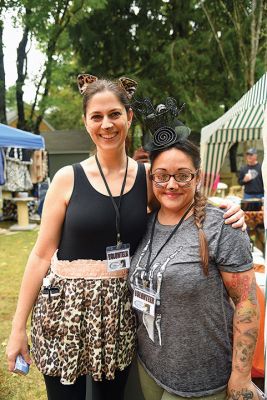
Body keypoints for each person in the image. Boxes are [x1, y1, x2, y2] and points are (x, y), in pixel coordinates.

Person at [6, 76, 245, 400]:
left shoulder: (146, 178)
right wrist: (18, 327)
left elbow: (180, 199)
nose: (107, 124)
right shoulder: (66, 179)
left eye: (115, 114)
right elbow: (40, 255)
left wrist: (227, 206)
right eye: (97, 116)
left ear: (129, 117)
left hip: (118, 313)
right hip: (63, 311)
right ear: (86, 121)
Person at [129, 97, 259, 400]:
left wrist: (240, 376)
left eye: (182, 175)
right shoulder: (144, 223)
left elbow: (246, 302)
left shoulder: (221, 225)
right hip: (150, 367)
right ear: (151, 177)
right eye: (161, 176)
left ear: (197, 177)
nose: (171, 184)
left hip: (201, 380)